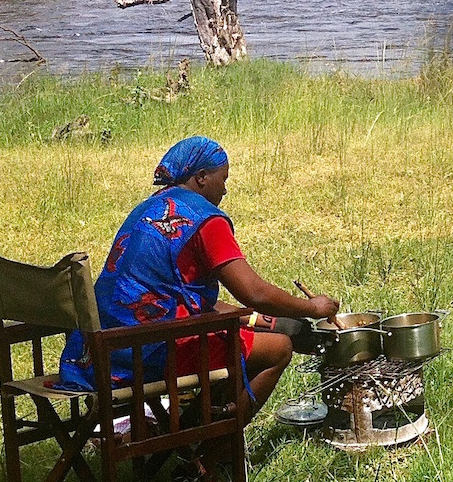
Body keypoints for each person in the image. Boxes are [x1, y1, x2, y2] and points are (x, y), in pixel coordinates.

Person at [58, 136, 338, 426]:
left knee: (247, 335)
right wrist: (312, 307)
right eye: (223, 179)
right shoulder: (205, 220)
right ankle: (208, 450)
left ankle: (188, 433)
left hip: (98, 352)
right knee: (278, 349)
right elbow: (254, 292)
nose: (226, 189)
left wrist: (262, 321)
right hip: (149, 353)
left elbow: (176, 293)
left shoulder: (148, 209)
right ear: (202, 177)